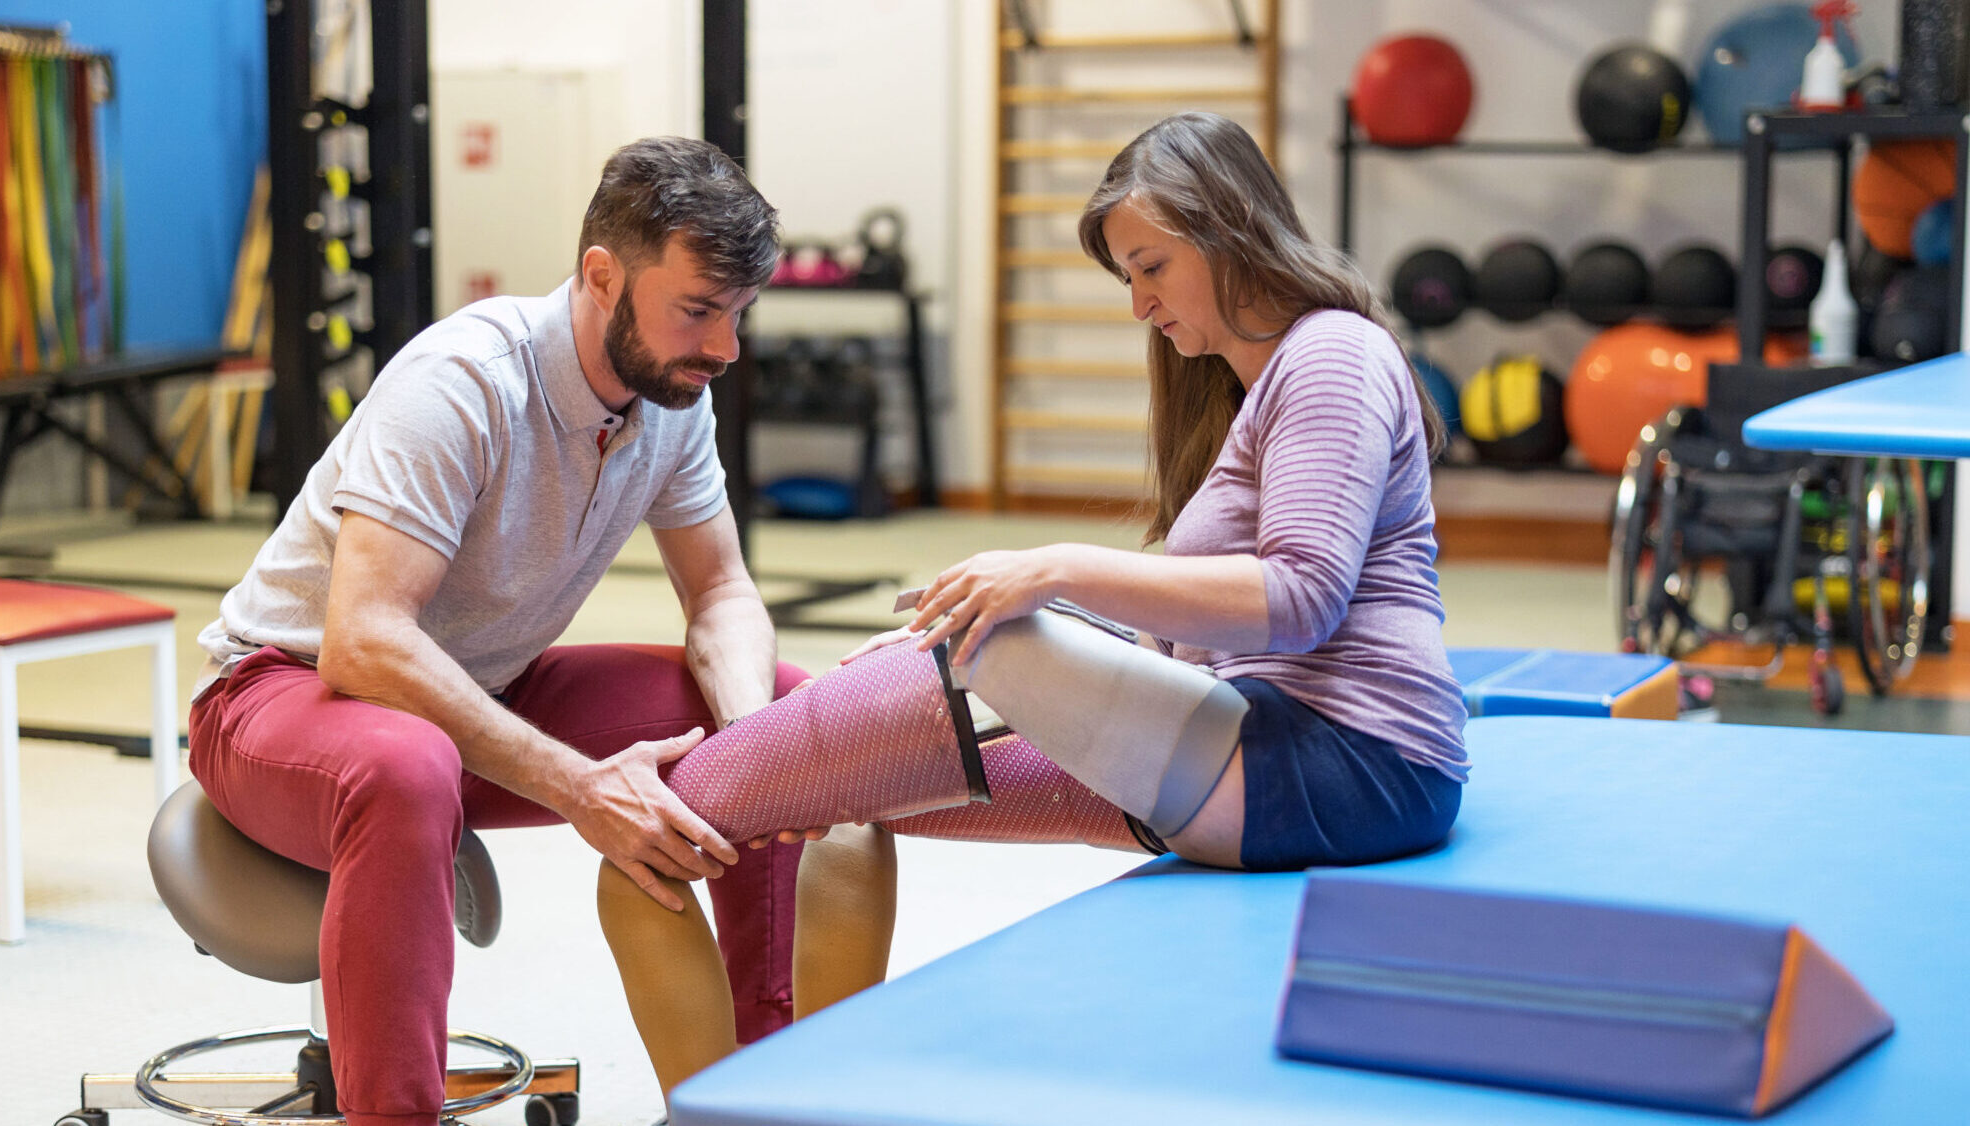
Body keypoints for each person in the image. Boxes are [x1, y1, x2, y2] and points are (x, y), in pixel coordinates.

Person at [598, 109, 1470, 1090]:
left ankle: (719, 1091)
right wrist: (919, 661)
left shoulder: (1332, 356)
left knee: (986, 640)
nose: (1139, 303)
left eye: (1150, 266)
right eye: (1125, 277)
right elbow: (1184, 625)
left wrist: (1048, 569)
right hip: (1247, 756)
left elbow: (1300, 598)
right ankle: (808, 1103)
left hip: (1342, 769)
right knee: (855, 802)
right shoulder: (1261, 379)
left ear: (1226, 229)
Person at [187, 136, 817, 1126]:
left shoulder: (672, 395)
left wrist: (751, 739)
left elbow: (724, 595)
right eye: (698, 310)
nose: (724, 349)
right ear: (603, 277)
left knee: (780, 712)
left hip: (480, 688)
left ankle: (756, 1090)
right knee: (403, 767)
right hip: (282, 695)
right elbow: (363, 642)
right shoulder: (465, 381)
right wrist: (580, 788)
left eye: (737, 316)